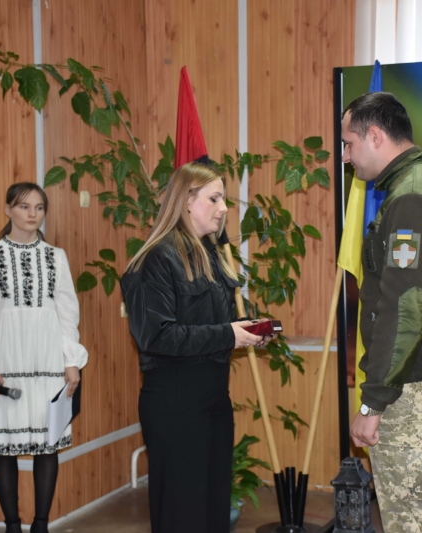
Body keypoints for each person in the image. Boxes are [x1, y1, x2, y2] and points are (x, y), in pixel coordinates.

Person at [342, 92, 422, 533]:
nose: (346, 157)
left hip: (411, 384)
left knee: (411, 522)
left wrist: (373, 400)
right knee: (419, 516)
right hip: (419, 378)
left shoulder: (412, 197)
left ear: (375, 136)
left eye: (348, 144)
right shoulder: (421, 184)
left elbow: (406, 308)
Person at [120, 163, 271, 533]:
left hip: (213, 400)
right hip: (175, 404)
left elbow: (213, 323)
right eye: (214, 198)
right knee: (182, 515)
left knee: (213, 510)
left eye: (223, 199)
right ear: (186, 201)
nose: (223, 208)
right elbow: (157, 337)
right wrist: (228, 335)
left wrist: (248, 330)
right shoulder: (155, 259)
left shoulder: (210, 255)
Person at [0, 183, 87, 533]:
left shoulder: (56, 257)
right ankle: (12, 526)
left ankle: (41, 525)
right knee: (3, 447)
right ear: (7, 210)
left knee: (47, 446)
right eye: (24, 206)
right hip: (5, 365)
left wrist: (71, 361)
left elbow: (67, 314)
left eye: (39, 207)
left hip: (49, 363)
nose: (33, 214)